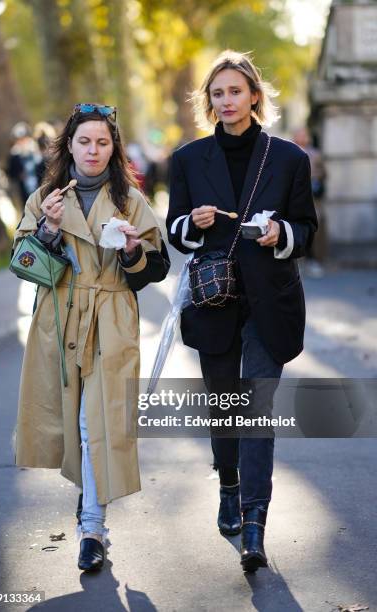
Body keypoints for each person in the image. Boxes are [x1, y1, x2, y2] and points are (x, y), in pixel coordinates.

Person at [166, 50, 317, 573]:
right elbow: (174, 232)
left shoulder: (290, 159)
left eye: (235, 91)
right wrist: (195, 221)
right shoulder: (186, 160)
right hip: (215, 302)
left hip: (270, 304)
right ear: (208, 101)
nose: (226, 100)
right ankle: (228, 485)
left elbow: (308, 232)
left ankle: (255, 521)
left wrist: (282, 234)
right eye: (217, 93)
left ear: (255, 96)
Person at [12, 103, 170, 572]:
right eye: (85, 141)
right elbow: (23, 265)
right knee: (69, 422)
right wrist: (48, 230)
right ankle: (88, 507)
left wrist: (133, 250)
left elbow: (156, 270)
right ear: (70, 146)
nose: (93, 150)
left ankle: (92, 528)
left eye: (103, 142)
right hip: (59, 320)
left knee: (95, 422)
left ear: (113, 148)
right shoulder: (45, 199)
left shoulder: (131, 202)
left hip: (112, 317)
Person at [293, 126, 327, 278]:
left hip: (313, 197)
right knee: (295, 226)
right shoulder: (289, 151)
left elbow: (324, 173)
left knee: (315, 227)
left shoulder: (316, 154)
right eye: (299, 134)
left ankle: (314, 261)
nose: (302, 137)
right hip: (294, 196)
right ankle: (298, 262)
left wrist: (317, 181)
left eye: (304, 134)